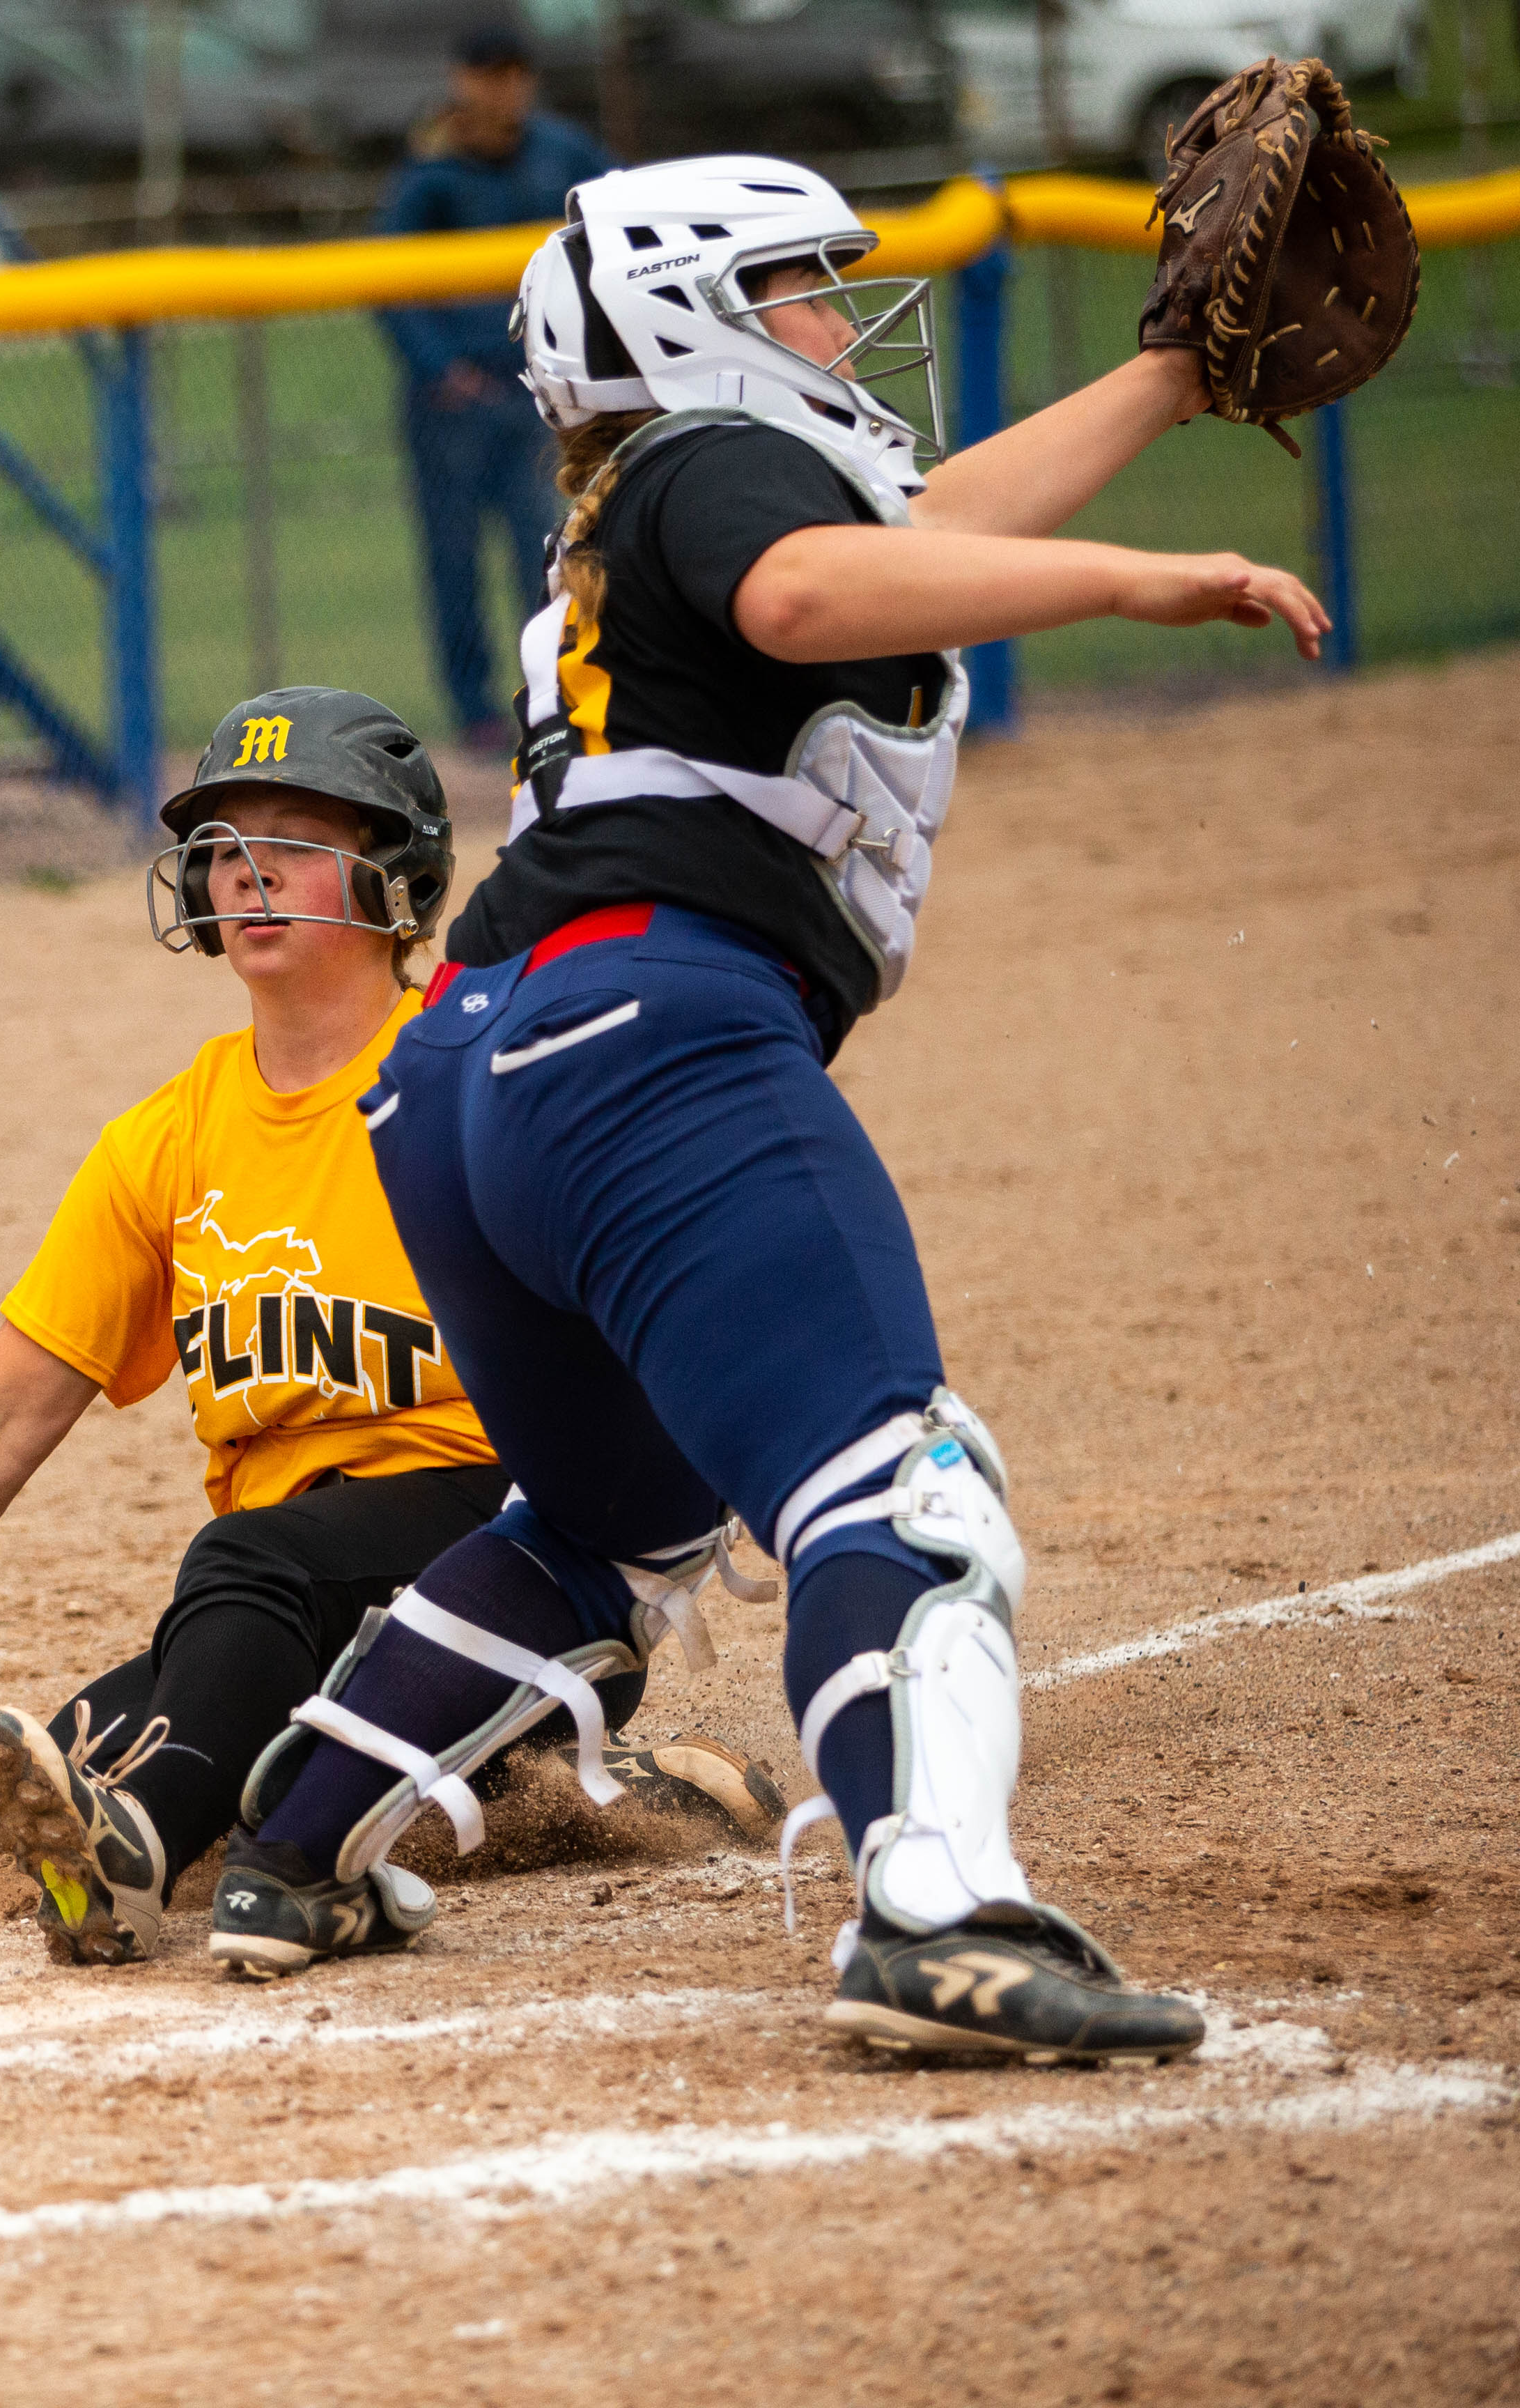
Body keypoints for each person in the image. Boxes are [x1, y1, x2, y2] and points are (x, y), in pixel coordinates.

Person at [205, 156, 1328, 2063]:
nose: (836, 322)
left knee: (614, 1523)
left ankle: (296, 1839)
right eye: (800, 288)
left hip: (468, 1072)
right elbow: (819, 580)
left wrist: (1172, 384)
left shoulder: (639, 508)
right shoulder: (716, 476)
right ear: (687, 323)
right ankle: (932, 1911)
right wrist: (1153, 579)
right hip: (645, 1023)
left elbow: (912, 530)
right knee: (900, 1490)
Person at [0, 686, 782, 1965]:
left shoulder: (479, 1068)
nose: (247, 872)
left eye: (294, 839)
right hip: (302, 1578)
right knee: (89, 1740)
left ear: (394, 877)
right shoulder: (166, 1139)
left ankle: (142, 1860)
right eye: (222, 845)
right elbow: (4, 1406)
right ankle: (569, 1776)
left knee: (230, 1603)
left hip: (509, 1551)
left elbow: (666, 1273)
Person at [371, 32, 613, 753]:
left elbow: (620, 221)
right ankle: (474, 709)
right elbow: (387, 280)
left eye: (513, 75)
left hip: (540, 385)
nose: (502, 90)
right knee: (454, 557)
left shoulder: (562, 151)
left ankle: (556, 692)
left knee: (549, 547)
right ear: (461, 79)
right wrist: (438, 367)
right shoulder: (432, 167)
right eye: (487, 76)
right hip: (455, 398)